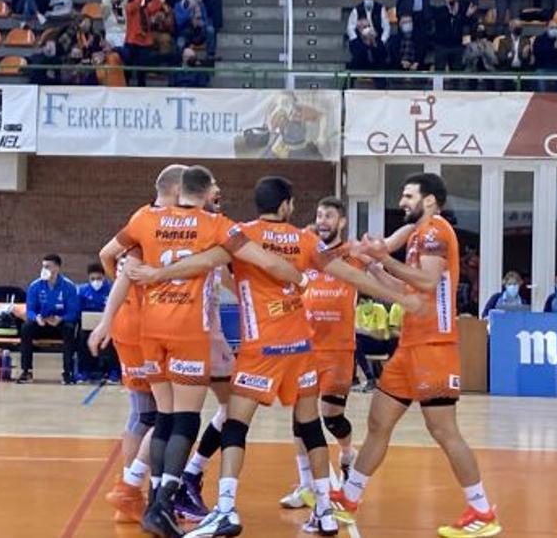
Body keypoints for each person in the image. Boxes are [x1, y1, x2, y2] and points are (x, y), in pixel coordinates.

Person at [134, 177, 409, 537]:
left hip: (261, 350)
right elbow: (350, 276)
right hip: (301, 348)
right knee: (310, 427)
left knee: (235, 426)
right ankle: (325, 511)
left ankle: (226, 508)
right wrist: (404, 300)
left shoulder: (240, 233)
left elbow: (203, 261)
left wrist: (158, 273)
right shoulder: (305, 239)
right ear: (286, 206)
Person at [107, 166, 304, 536]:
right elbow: (263, 262)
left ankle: (145, 493)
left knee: (161, 417)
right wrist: (300, 276)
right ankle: (171, 493)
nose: (219, 190)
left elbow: (112, 256)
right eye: (215, 185)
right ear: (198, 190)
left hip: (150, 329)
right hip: (191, 331)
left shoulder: (145, 218)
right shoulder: (214, 225)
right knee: (192, 417)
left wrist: (117, 312)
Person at [333, 173, 502, 538]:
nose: (402, 202)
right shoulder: (416, 238)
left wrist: (383, 258)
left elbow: (426, 282)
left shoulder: (435, 231)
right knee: (378, 422)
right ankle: (348, 499)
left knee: (444, 431)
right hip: (409, 346)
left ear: (429, 200)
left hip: (433, 347)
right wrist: (376, 266)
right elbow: (406, 285)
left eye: (408, 195)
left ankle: (482, 509)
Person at [91, 165, 186, 523]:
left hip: (139, 322)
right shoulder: (155, 221)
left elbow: (105, 253)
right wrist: (131, 289)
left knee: (146, 412)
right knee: (152, 413)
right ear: (177, 190)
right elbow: (108, 257)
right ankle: (131, 489)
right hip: (140, 326)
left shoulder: (146, 218)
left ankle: (135, 488)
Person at [278, 197, 363, 509]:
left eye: (329, 215)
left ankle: (347, 453)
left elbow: (379, 269)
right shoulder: (307, 252)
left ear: (341, 222)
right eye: (318, 214)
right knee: (300, 418)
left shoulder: (353, 255)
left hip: (339, 350)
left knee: (332, 419)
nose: (323, 220)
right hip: (306, 348)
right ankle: (306, 486)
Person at [18, 254, 81, 385]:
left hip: (59, 323)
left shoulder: (69, 287)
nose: (44, 269)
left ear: (57, 268)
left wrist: (61, 319)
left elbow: (73, 312)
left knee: (69, 329)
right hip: (42, 323)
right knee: (26, 328)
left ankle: (67, 373)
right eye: (43, 266)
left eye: (47, 266)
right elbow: (30, 310)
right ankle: (26, 370)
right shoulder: (35, 286)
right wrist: (36, 318)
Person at [431, 0, 476, 71]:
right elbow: (440, 19)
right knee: (439, 71)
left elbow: (467, 25)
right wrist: (450, 11)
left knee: (457, 71)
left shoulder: (462, 12)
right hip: (442, 45)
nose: (454, 0)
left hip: (457, 46)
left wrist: (467, 16)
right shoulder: (439, 10)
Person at [532, 21, 557, 91]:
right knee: (540, 81)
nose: (554, 30)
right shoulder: (539, 39)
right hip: (544, 68)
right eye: (552, 28)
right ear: (546, 28)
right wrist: (554, 47)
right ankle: (541, 100)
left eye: (556, 28)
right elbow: (539, 55)